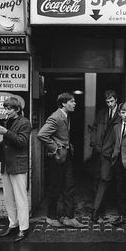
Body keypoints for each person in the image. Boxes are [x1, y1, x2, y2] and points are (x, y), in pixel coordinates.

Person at [37, 92, 85, 228]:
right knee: (55, 187)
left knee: (69, 186)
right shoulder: (56, 117)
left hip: (66, 156)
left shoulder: (66, 115)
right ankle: (51, 217)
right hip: (57, 157)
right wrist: (55, 148)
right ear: (64, 104)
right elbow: (42, 134)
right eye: (72, 101)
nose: (75, 104)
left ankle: (69, 217)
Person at [0, 97, 31, 242]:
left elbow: (22, 142)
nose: (6, 111)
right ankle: (13, 223)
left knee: (20, 198)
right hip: (7, 164)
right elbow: (9, 140)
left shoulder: (25, 122)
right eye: (5, 108)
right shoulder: (7, 121)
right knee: (8, 197)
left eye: (9, 108)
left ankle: (24, 228)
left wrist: (5, 132)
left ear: (17, 109)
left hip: (17, 165)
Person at [90, 90, 121, 222]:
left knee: (104, 180)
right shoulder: (102, 113)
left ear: (116, 100)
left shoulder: (121, 114)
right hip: (99, 152)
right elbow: (94, 128)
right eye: (107, 102)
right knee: (97, 180)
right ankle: (99, 209)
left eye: (112, 101)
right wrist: (94, 143)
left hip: (110, 154)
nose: (109, 104)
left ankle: (95, 211)